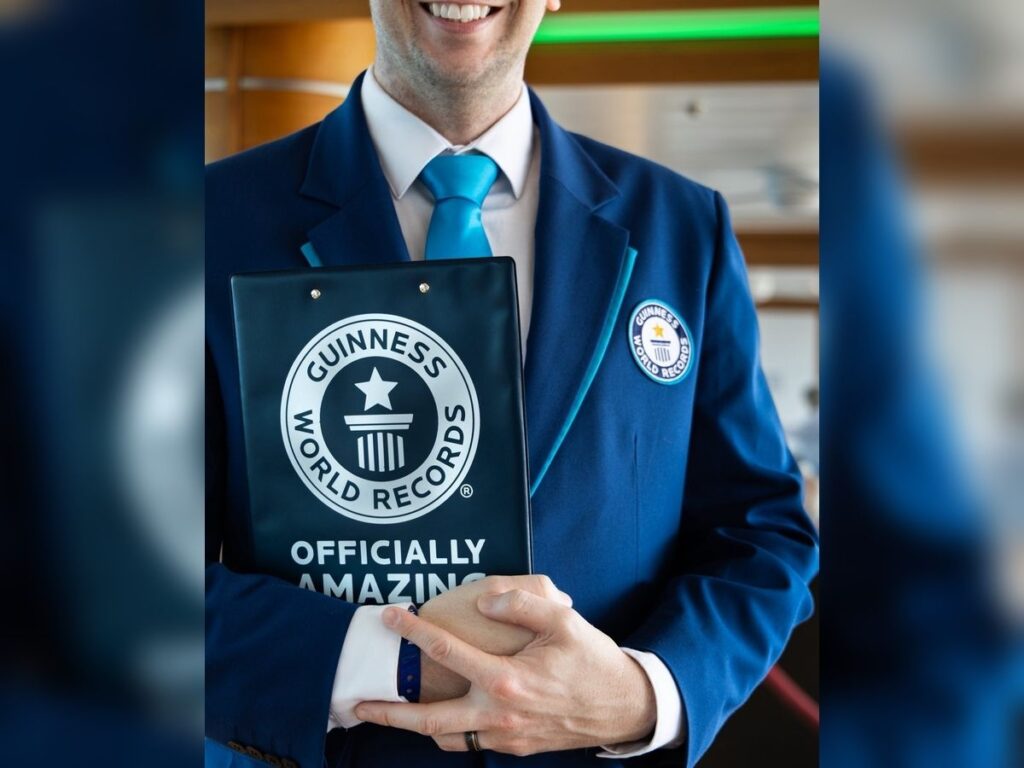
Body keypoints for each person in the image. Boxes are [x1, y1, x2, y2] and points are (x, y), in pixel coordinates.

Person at [205, 1, 819, 766]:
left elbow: (761, 532)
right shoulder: (205, 223)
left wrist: (646, 692)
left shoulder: (683, 227)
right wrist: (398, 664)